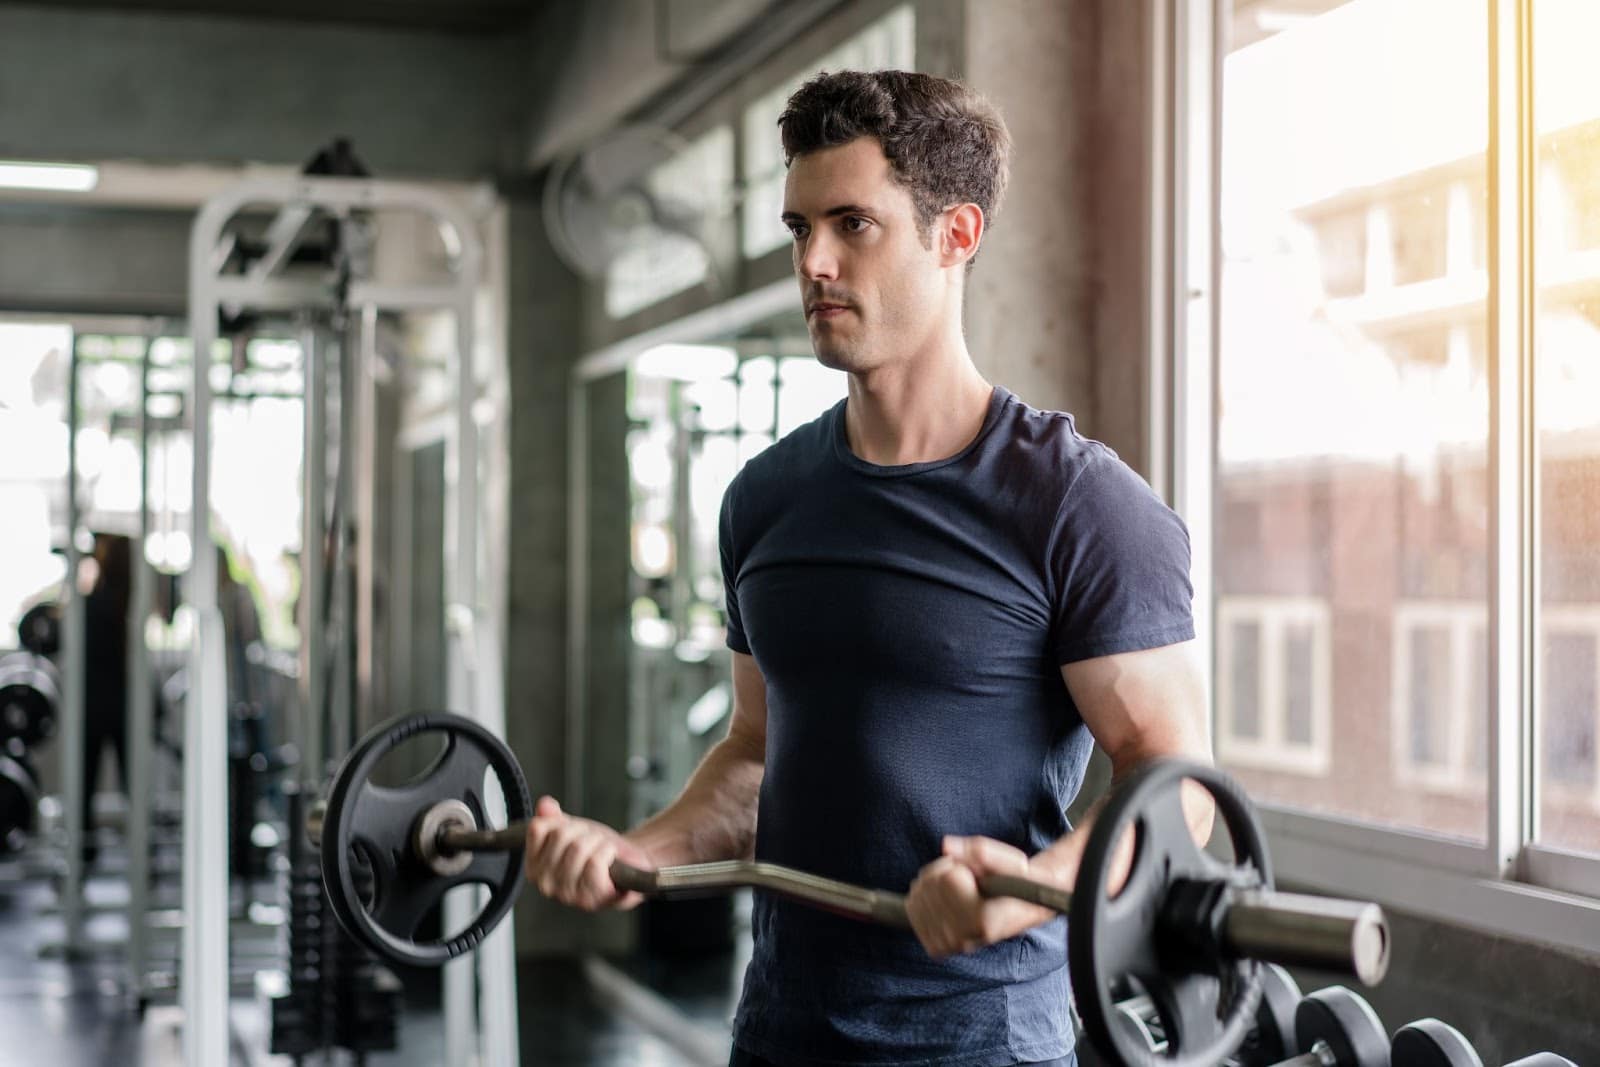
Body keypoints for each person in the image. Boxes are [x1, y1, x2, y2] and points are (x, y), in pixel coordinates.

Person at [525, 70, 1212, 1067]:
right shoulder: (763, 499)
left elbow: (1175, 782)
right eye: (798, 227)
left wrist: (1032, 887)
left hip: (982, 1042)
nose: (815, 261)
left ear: (955, 234)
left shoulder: (1077, 503)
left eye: (853, 224)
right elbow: (757, 752)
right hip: (778, 1030)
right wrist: (643, 851)